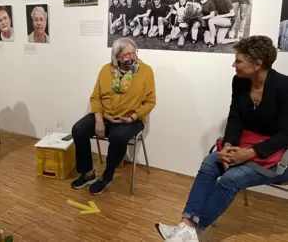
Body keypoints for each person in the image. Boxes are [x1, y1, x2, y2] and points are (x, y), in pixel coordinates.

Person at [156, 36, 288, 242]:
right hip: (246, 143)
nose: (233, 64)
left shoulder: (284, 86)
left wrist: (249, 153)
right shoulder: (240, 81)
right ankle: (186, 226)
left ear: (257, 64)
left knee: (230, 179)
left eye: (239, 61)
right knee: (210, 163)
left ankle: (193, 230)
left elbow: (285, 135)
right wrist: (228, 146)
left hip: (276, 154)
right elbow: (235, 117)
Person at [71, 38, 156, 195]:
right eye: (126, 54)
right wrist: (99, 120)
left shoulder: (146, 71)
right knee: (78, 129)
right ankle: (88, 173)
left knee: (118, 138)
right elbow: (95, 97)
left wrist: (132, 117)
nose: (131, 57)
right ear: (117, 56)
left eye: (133, 53)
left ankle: (107, 176)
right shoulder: (105, 70)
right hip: (105, 115)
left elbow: (150, 102)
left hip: (131, 118)